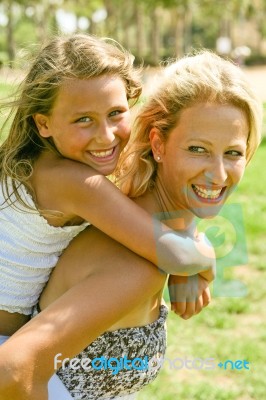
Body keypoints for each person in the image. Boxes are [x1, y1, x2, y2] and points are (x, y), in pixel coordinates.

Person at [0, 50, 262, 400]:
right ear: (157, 143)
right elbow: (13, 372)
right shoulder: (135, 260)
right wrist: (202, 254)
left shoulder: (126, 219)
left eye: (233, 152)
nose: (218, 173)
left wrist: (188, 245)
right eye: (197, 149)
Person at [0, 33, 216, 342]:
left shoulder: (42, 165)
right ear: (43, 124)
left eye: (115, 113)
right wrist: (206, 259)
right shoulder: (71, 181)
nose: (105, 136)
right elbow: (173, 254)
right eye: (84, 119)